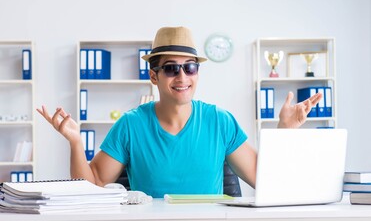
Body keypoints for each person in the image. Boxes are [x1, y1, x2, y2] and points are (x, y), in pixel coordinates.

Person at [37, 26, 322, 198]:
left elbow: (264, 179)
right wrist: (75, 142)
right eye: (171, 68)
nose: (182, 76)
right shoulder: (130, 125)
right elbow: (94, 183)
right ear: (153, 76)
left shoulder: (220, 121)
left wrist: (285, 131)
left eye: (190, 67)